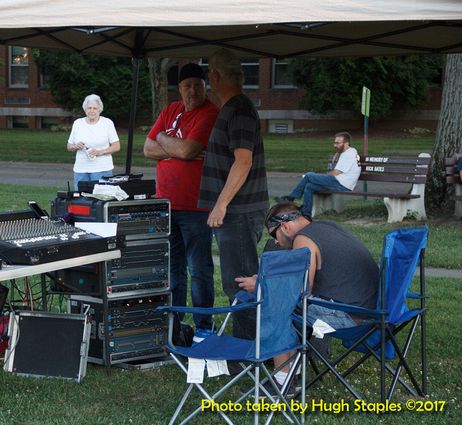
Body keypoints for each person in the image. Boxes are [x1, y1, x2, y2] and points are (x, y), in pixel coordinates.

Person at [236, 201, 378, 386]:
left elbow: (301, 291)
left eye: (274, 235)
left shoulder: (303, 240)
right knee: (281, 295)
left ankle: (283, 380)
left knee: (277, 299)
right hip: (373, 311)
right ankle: (293, 370)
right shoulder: (326, 226)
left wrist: (263, 285)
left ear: (285, 226)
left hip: (351, 317)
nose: (276, 242)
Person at [198, 48, 269, 340]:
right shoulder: (234, 108)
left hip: (238, 213)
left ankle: (247, 350)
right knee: (238, 280)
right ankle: (247, 343)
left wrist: (221, 204)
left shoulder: (238, 109)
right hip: (236, 212)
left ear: (214, 77)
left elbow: (243, 160)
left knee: (241, 283)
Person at [143, 63, 219, 332]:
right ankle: (175, 323)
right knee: (173, 269)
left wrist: (165, 141)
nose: (193, 90)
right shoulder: (171, 110)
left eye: (198, 85)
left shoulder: (210, 113)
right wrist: (168, 143)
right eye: (188, 86)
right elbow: (147, 148)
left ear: (205, 86)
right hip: (166, 205)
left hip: (196, 207)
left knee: (198, 270)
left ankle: (203, 327)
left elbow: (189, 150)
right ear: (180, 89)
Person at [275, 132, 360, 217]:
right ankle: (306, 212)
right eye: (334, 142)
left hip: (341, 183)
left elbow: (335, 173)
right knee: (309, 186)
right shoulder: (350, 151)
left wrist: (322, 177)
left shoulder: (348, 155)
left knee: (309, 175)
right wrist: (338, 153)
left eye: (338, 143)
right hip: (341, 182)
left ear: (346, 143)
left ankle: (290, 199)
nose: (335, 145)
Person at [67, 94, 120, 190]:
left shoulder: (107, 123)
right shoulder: (78, 123)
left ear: (100, 109)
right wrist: (75, 146)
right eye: (89, 108)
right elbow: (69, 146)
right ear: (85, 109)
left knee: (100, 200)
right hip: (81, 170)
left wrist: (99, 152)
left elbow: (116, 146)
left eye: (95, 108)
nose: (91, 111)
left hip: (102, 169)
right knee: (80, 200)